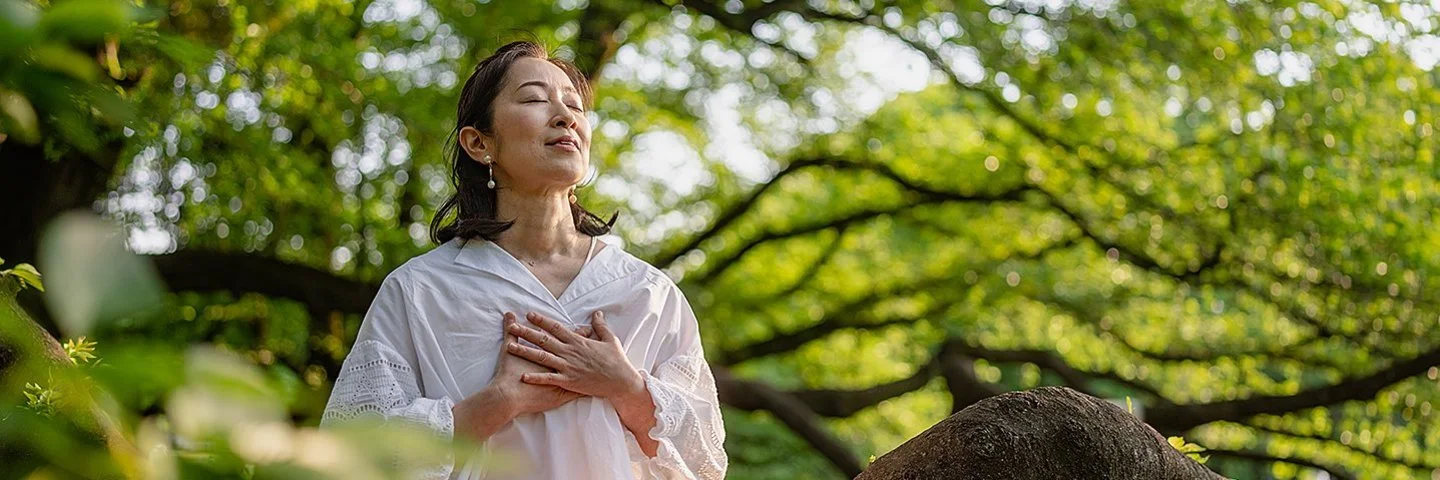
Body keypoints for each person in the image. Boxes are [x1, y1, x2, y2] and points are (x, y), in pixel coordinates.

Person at [320, 41, 727, 480]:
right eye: (534, 98)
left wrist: (626, 387)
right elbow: (350, 457)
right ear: (479, 143)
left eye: (574, 105)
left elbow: (705, 463)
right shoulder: (420, 290)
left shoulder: (648, 293)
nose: (565, 116)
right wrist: (498, 401)